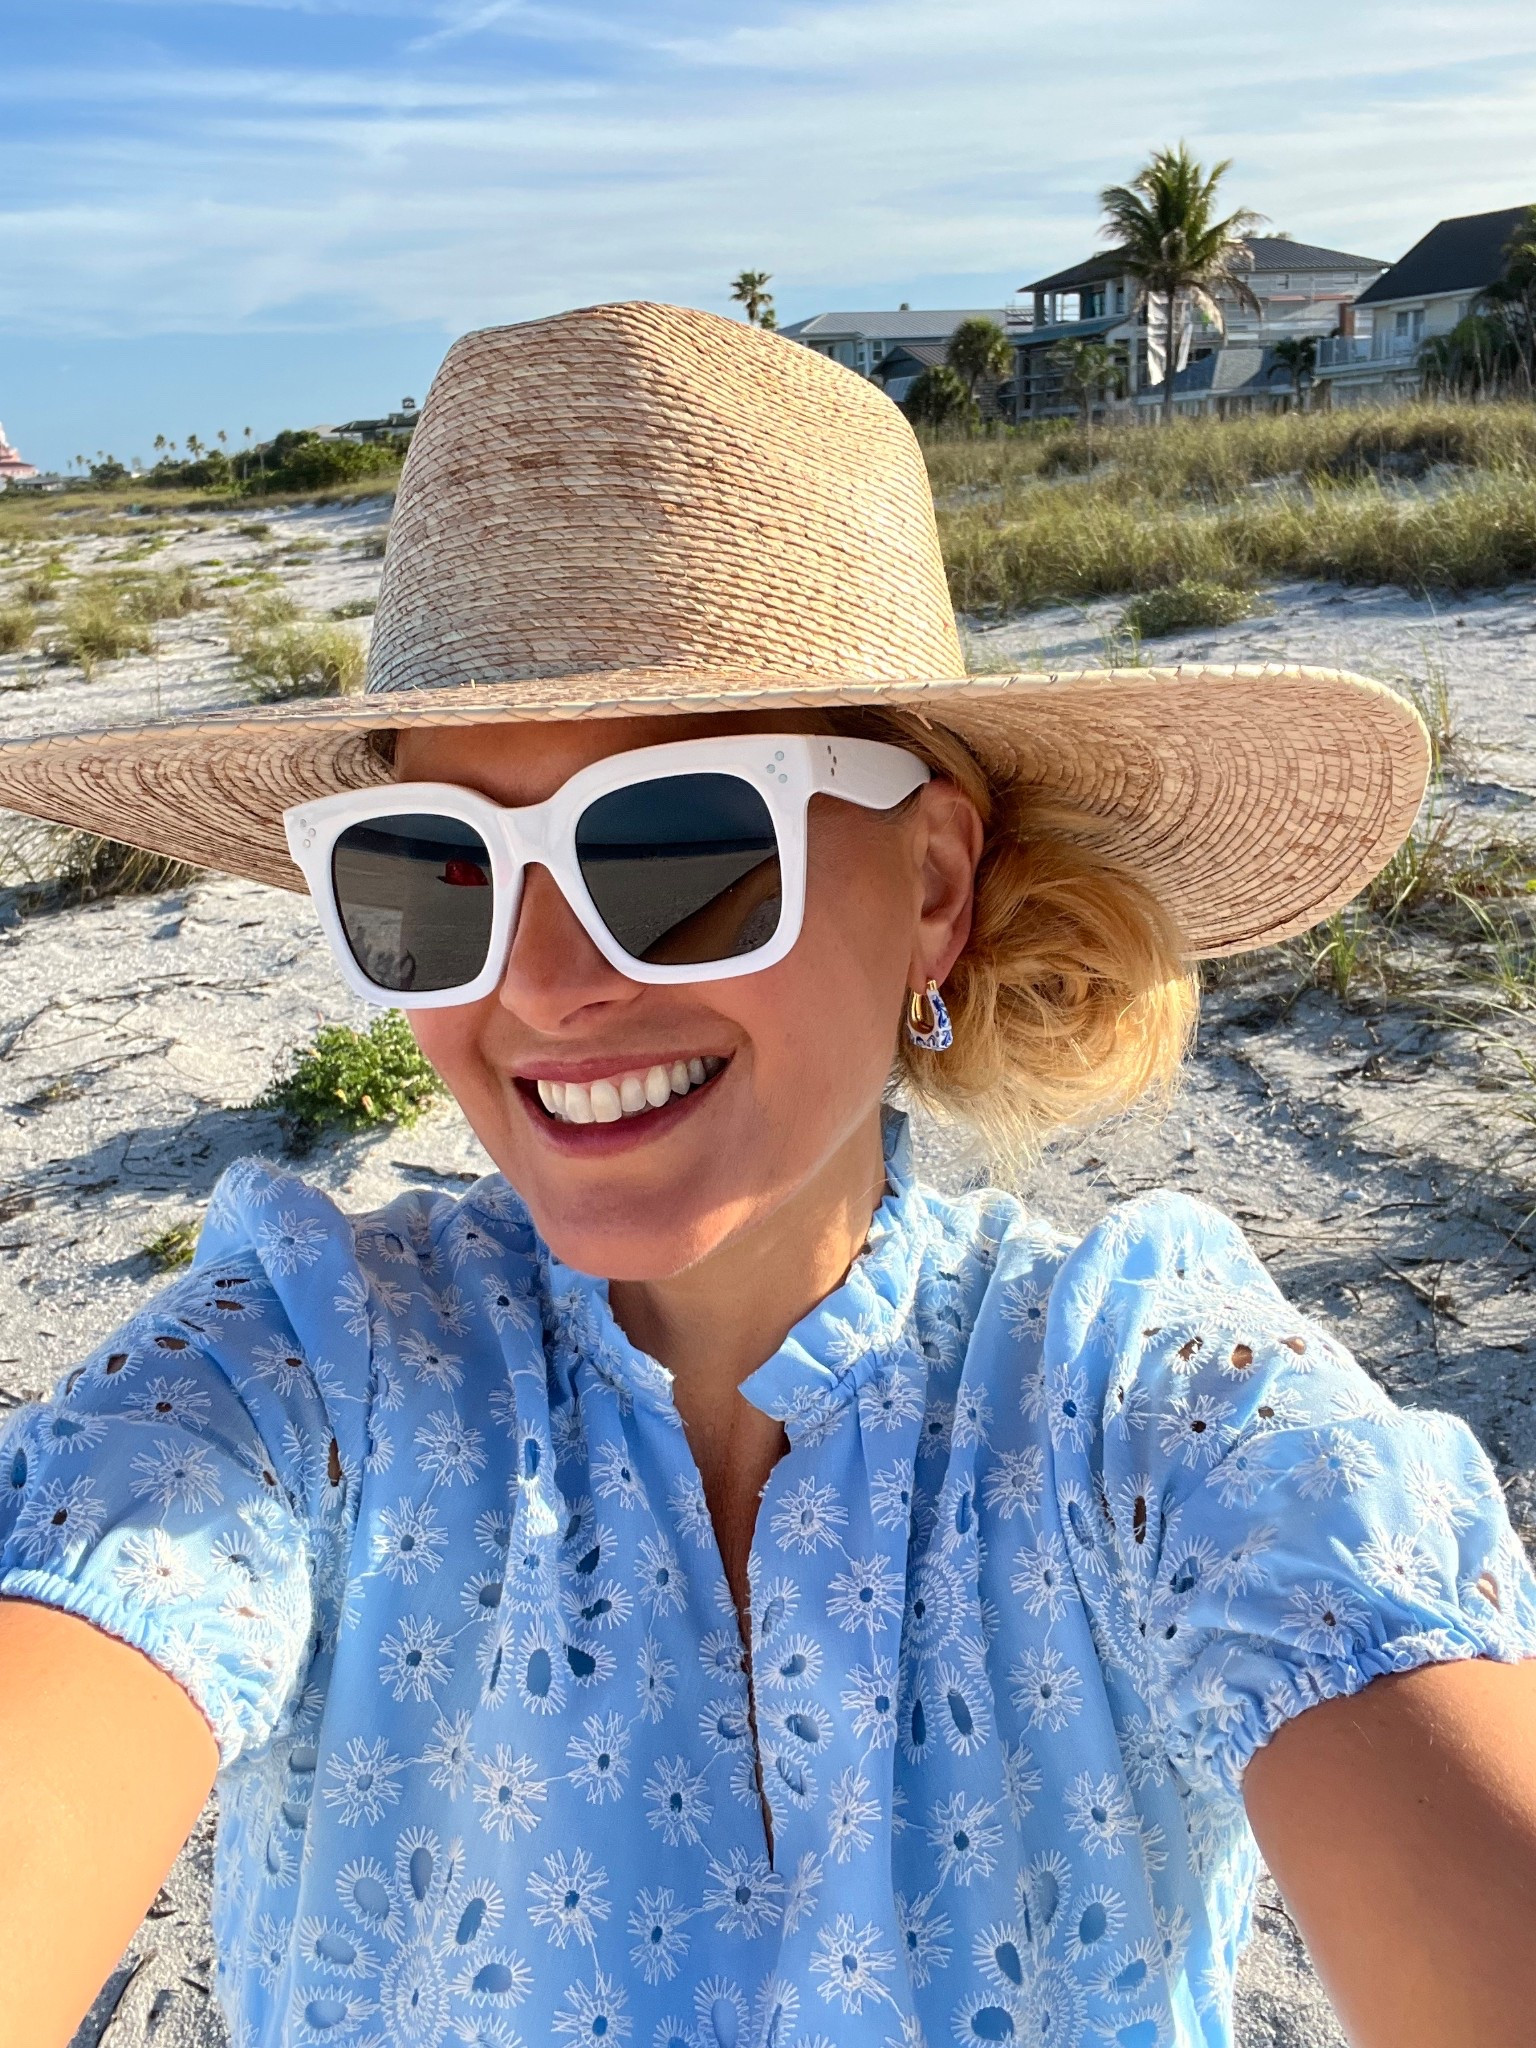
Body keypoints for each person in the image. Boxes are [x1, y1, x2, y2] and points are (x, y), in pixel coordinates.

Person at [1, 303, 1533, 2048]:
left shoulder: (1148, 1410)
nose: (541, 985)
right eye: (433, 871)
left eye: (674, 846)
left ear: (934, 884)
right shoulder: (301, 1376)